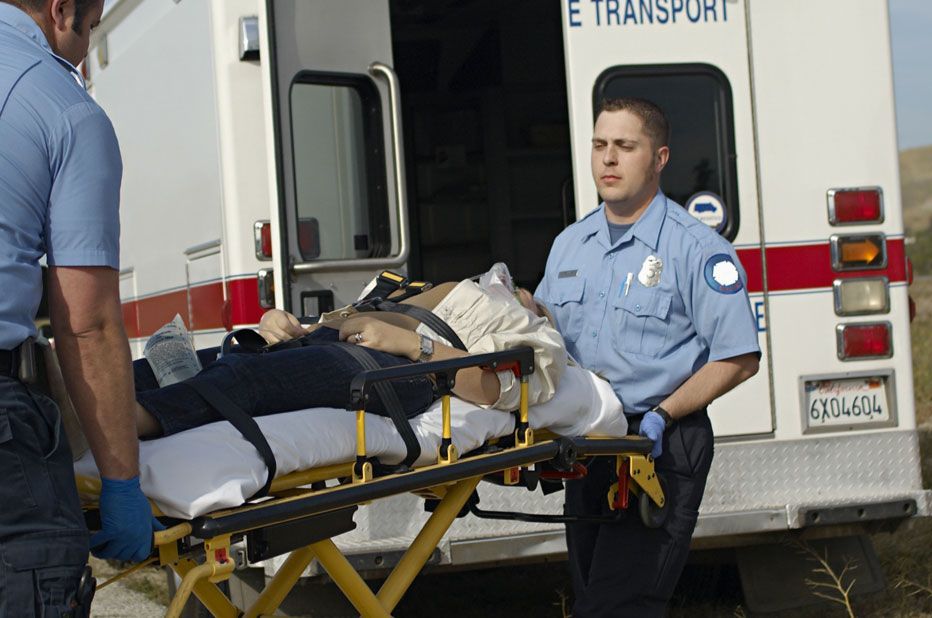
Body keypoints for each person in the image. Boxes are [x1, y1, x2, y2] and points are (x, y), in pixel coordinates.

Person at [535, 98, 761, 616]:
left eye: (624, 146)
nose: (608, 160)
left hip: (657, 447)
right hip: (586, 442)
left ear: (658, 158)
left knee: (621, 605)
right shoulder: (570, 244)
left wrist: (662, 416)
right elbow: (548, 338)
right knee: (592, 594)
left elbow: (739, 357)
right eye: (599, 145)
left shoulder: (698, 249)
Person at [0, 0, 159, 612]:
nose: (87, 50)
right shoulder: (64, 109)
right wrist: (122, 482)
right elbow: (86, 323)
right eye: (91, 28)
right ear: (62, 9)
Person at [131, 276, 566, 440]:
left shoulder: (537, 332)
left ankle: (125, 425)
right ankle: (78, 408)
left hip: (402, 369)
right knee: (195, 363)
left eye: (533, 298)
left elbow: (496, 388)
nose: (519, 287)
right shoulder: (434, 285)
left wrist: (410, 345)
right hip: (335, 341)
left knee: (250, 381)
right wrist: (286, 325)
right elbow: (347, 319)